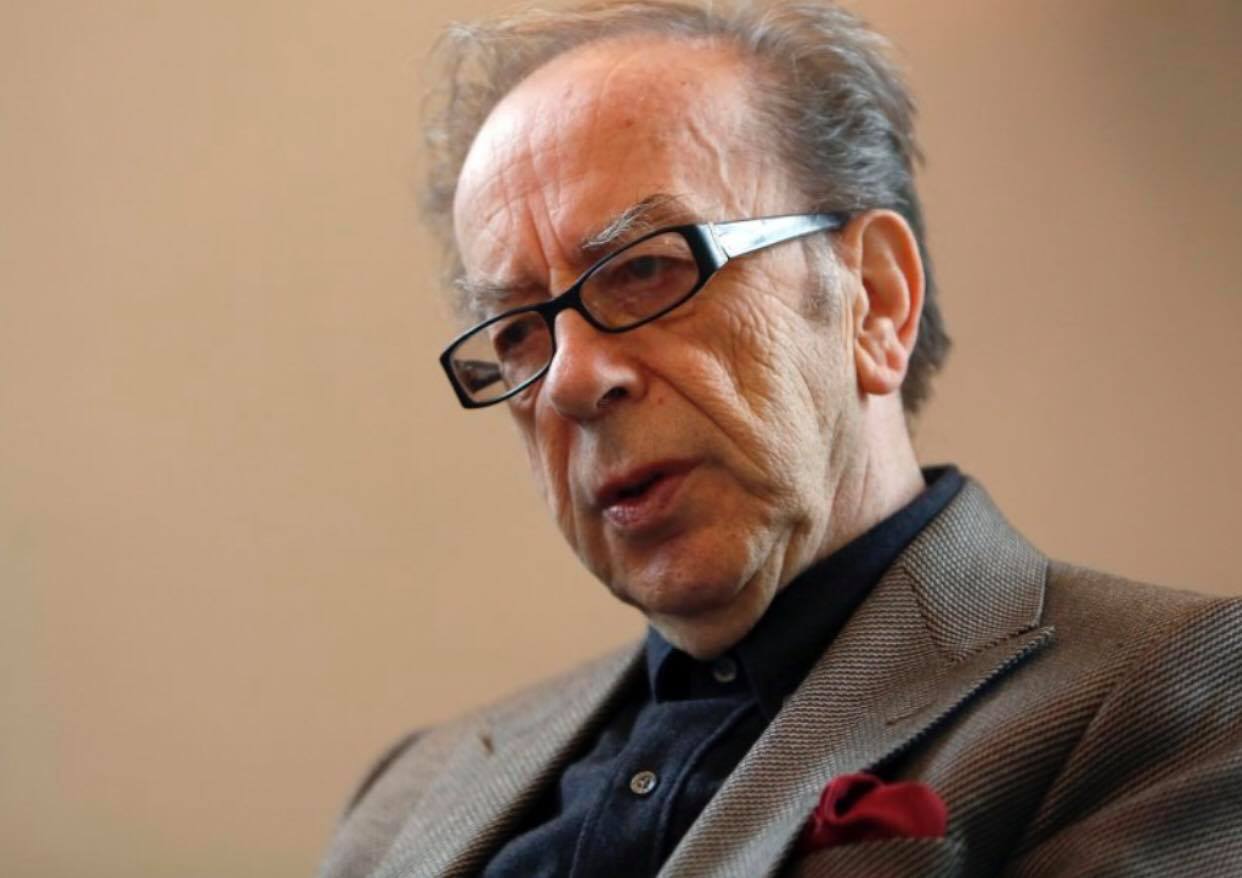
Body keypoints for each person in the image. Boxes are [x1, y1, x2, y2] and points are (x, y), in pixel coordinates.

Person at [320, 2, 1242, 875]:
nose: (569, 380)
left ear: (875, 300)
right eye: (521, 331)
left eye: (647, 270)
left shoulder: (1174, 693)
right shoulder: (407, 794)